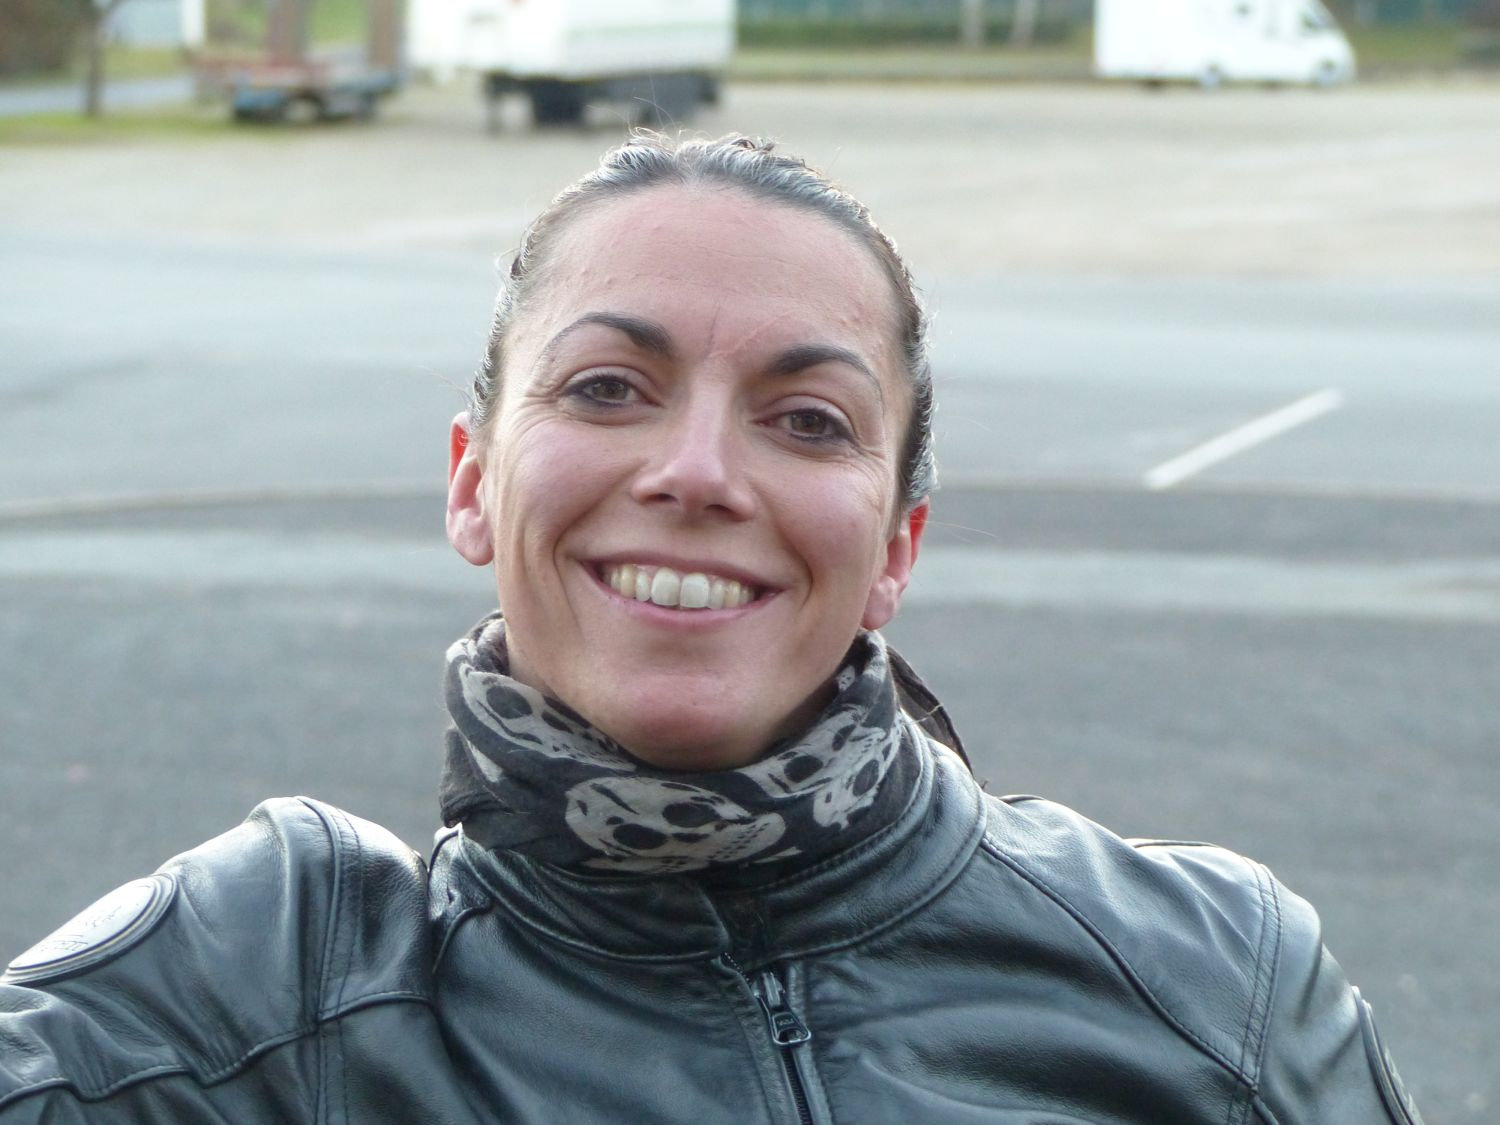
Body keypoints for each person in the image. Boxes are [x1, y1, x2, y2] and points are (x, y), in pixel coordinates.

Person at [0, 134, 1422, 1124]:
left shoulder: (1211, 977)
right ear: (474, 481)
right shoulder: (249, 985)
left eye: (808, 419)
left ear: (895, 547)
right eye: (607, 388)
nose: (696, 473)